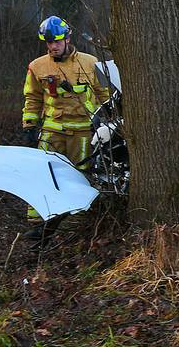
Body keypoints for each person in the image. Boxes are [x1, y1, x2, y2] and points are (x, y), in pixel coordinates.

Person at [21, 15, 111, 239]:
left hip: (83, 132)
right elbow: (32, 98)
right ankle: (38, 225)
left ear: (67, 38)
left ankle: (72, 226)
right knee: (43, 174)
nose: (53, 46)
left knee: (78, 176)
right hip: (52, 132)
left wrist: (105, 120)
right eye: (49, 42)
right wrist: (29, 126)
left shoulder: (90, 63)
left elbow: (105, 95)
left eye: (57, 42)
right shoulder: (37, 66)